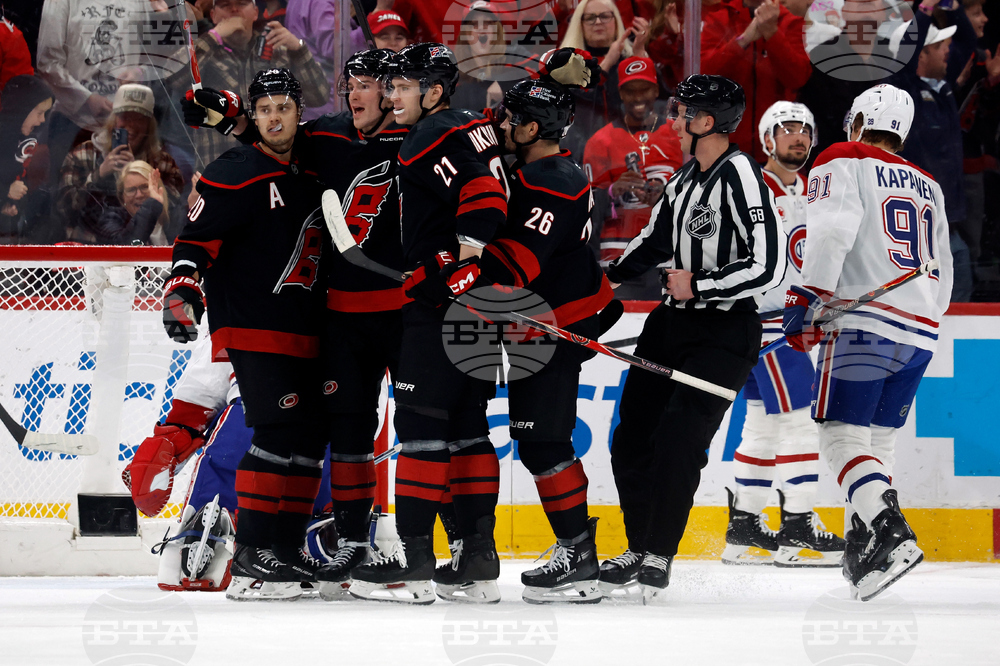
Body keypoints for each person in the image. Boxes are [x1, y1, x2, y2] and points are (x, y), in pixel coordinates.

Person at [599, 74, 786, 602]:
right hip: (670, 324)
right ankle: (639, 547)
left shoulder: (743, 175)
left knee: (680, 439)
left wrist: (699, 283)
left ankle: (659, 552)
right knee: (631, 439)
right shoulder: (683, 181)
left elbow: (768, 265)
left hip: (724, 332)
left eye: (682, 112)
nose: (672, 120)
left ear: (707, 121)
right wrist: (600, 283)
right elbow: (651, 240)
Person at [348, 43, 508, 605]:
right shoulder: (474, 126)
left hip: (440, 308)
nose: (391, 96)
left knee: (421, 430)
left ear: (434, 91)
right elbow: (488, 185)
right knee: (468, 430)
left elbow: (483, 194)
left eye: (402, 86)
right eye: (389, 86)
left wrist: (460, 263)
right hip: (479, 306)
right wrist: (469, 267)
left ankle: (414, 559)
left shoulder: (428, 135)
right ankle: (478, 557)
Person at [782, 84, 952, 601]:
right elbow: (944, 271)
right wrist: (923, 315)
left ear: (858, 122)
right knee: (878, 441)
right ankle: (866, 546)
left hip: (864, 323)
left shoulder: (844, 155)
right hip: (920, 329)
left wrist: (807, 298)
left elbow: (831, 231)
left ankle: (887, 528)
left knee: (840, 437)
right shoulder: (930, 184)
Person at [164, 68, 328, 602]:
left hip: (310, 324)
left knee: (306, 439)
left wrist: (231, 114)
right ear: (253, 117)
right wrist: (182, 291)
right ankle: (254, 551)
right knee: (275, 433)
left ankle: (286, 546)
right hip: (255, 326)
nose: (274, 118)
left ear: (299, 112)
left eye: (283, 107)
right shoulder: (232, 171)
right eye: (264, 110)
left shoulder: (317, 161)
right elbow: (194, 241)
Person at [480, 78, 615, 604]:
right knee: (539, 440)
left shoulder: (553, 179)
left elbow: (519, 264)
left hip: (558, 325)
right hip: (540, 321)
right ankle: (576, 549)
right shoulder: (540, 167)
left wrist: (457, 271)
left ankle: (578, 553)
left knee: (544, 442)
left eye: (511, 118)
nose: (501, 124)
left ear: (533, 128)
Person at [722, 101, 846, 568]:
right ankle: (797, 530)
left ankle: (743, 530)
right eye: (787, 129)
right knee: (799, 421)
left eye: (805, 129)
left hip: (786, 323)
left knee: (763, 424)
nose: (798, 136)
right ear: (766, 139)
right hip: (767, 324)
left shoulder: (813, 192)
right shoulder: (752, 187)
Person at [168, 0, 329, 166]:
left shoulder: (276, 48)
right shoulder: (204, 50)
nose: (234, 9)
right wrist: (214, 36)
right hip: (221, 166)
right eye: (225, 5)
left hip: (274, 164)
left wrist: (298, 48)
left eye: (242, 3)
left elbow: (319, 95)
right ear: (213, 16)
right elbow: (172, 78)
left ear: (255, 12)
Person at [888, 0, 977, 301]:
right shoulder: (902, 93)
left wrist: (953, 7)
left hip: (949, 225)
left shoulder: (943, 86)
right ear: (920, 54)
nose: (947, 51)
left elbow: (968, 41)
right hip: (916, 230)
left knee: (960, 300)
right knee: (923, 304)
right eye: (938, 46)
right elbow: (905, 58)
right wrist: (925, 9)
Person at [583, 56, 683, 299]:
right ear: (620, 93)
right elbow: (585, 207)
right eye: (630, 90)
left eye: (644, 89)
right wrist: (612, 191)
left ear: (656, 90)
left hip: (669, 255)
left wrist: (668, 196)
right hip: (617, 256)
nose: (638, 97)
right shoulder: (599, 142)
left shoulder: (679, 135)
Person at [59, 84, 184, 243]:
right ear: (113, 120)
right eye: (125, 117)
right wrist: (98, 176)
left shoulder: (163, 161)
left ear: (149, 125)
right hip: (89, 247)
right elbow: (65, 210)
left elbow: (174, 215)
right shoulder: (83, 155)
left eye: (138, 118)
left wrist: (137, 173)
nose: (130, 125)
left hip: (148, 249)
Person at [700, 0, 812, 162]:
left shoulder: (791, 23)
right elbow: (705, 76)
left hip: (777, 148)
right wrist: (743, 40)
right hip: (724, 145)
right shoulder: (719, 19)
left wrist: (772, 33)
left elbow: (797, 78)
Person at [559, 0, 643, 160]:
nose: (598, 22)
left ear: (616, 21)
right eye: (590, 18)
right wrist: (606, 64)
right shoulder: (565, 63)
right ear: (580, 24)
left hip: (628, 150)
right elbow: (578, 101)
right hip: (581, 153)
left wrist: (641, 58)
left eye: (604, 16)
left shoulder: (630, 62)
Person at [0, 75, 54, 243]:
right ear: (20, 109)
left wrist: (9, 204)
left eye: (45, 113)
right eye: (39, 113)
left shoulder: (25, 140)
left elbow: (21, 183)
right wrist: (5, 192)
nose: (42, 120)